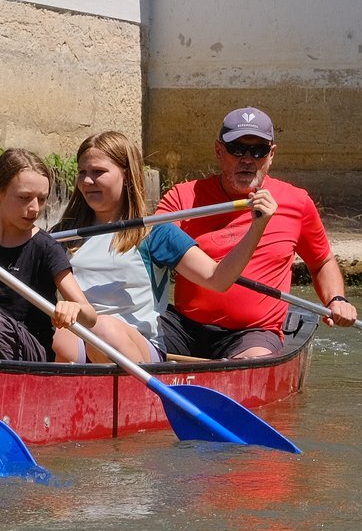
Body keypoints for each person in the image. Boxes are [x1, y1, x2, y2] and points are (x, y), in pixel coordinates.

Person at [52, 131, 277, 363]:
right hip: (81, 342)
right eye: (82, 173)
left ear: (127, 176)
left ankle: (133, 393)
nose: (87, 181)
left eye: (98, 172)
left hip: (138, 346)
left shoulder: (155, 231)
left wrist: (257, 227)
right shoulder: (62, 235)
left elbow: (217, 279)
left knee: (104, 330)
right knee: (60, 338)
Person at [156, 106, 358, 359]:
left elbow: (321, 262)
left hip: (253, 333)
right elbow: (149, 247)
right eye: (237, 149)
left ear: (271, 155)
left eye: (258, 150)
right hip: (183, 326)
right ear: (219, 151)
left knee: (253, 358)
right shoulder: (182, 198)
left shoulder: (297, 202)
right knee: (128, 336)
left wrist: (336, 299)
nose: (248, 159)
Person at [0, 149, 97, 362]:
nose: (34, 208)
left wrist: (73, 308)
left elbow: (90, 316)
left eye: (42, 199)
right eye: (24, 198)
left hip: (29, 350)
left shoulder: (47, 248)